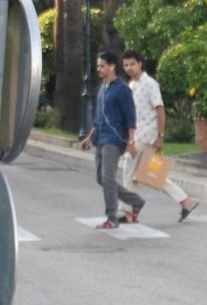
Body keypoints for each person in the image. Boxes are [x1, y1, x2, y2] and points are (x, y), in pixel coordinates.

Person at [118, 50, 198, 223]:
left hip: (146, 136)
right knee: (149, 173)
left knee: (128, 170)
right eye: (125, 65)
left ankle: (128, 212)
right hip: (136, 134)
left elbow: (160, 109)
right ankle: (186, 201)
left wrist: (160, 135)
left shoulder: (150, 84)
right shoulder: (131, 85)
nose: (129, 68)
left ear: (140, 63)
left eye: (132, 64)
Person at [80, 51, 144, 229]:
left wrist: (130, 142)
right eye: (98, 65)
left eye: (102, 66)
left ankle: (112, 218)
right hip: (100, 137)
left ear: (112, 67)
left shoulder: (122, 89)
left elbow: (130, 118)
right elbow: (99, 117)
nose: (98, 69)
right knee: (101, 179)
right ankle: (136, 201)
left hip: (114, 139)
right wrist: (89, 137)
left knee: (108, 178)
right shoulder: (103, 87)